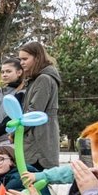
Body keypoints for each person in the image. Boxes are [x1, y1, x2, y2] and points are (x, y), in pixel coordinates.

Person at [19, 41, 61, 170]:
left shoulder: (44, 79)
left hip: (39, 144)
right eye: (20, 59)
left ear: (37, 58)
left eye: (25, 59)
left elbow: (34, 114)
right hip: (37, 142)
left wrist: (16, 132)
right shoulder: (36, 79)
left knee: (36, 180)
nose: (21, 63)